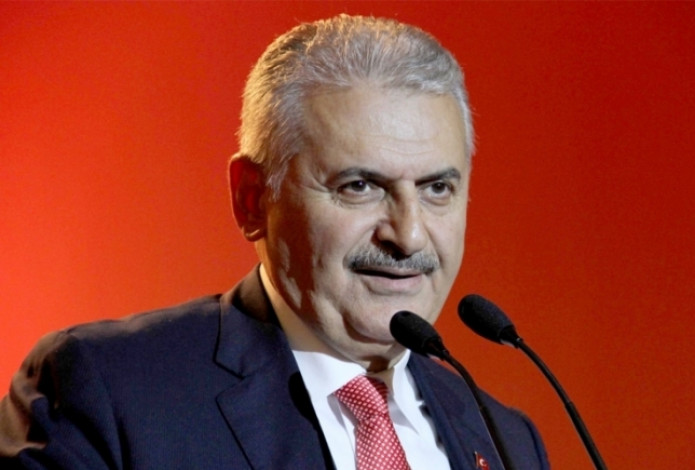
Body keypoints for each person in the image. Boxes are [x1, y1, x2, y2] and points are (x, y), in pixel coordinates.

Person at [0, 14, 549, 469]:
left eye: (436, 189)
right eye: (359, 186)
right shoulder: (110, 395)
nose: (407, 235)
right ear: (253, 199)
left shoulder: (508, 442)